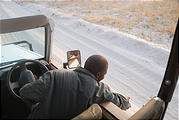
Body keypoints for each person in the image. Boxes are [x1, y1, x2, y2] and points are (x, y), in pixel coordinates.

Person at [19, 55, 131, 119]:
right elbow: (120, 102)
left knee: (26, 74)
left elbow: (25, 93)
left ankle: (23, 71)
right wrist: (125, 99)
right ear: (98, 75)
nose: (104, 76)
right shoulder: (100, 89)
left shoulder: (54, 75)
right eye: (104, 74)